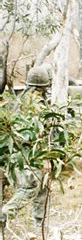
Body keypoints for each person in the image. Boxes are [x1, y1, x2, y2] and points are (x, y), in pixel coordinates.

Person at [2, 65, 51, 227]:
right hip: (29, 153)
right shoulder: (33, 104)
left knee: (42, 186)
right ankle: (4, 215)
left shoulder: (19, 100)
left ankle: (39, 222)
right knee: (30, 186)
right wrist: (46, 157)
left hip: (21, 152)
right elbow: (39, 132)